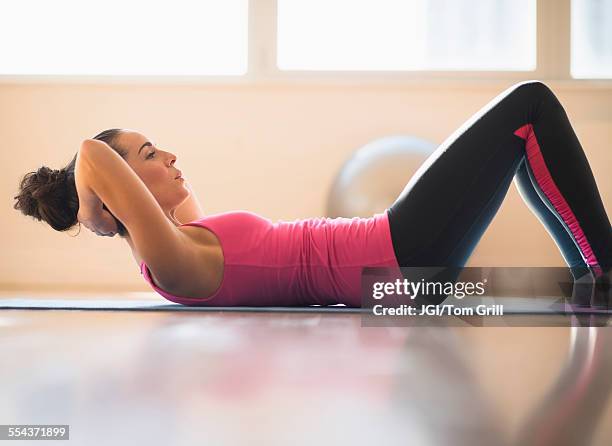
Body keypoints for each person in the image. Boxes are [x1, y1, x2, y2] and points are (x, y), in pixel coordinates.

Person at [13, 80, 611, 308]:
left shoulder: (187, 239)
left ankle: (594, 278)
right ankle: (603, 271)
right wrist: (93, 209)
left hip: (393, 253)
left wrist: (104, 199)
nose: (170, 157)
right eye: (148, 156)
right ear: (122, 197)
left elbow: (99, 162)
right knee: (528, 105)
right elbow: (92, 155)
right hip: (395, 253)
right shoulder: (172, 262)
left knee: (521, 129)